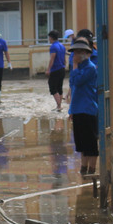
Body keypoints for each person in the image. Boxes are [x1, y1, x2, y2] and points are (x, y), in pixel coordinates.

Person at [67, 38, 98, 176]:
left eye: (78, 52)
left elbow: (78, 81)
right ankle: (83, 167)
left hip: (87, 108)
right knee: (81, 142)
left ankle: (92, 169)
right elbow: (73, 86)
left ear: (85, 54)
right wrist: (71, 110)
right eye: (74, 52)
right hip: (78, 109)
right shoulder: (78, 68)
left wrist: (74, 66)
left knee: (90, 142)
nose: (75, 55)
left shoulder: (90, 68)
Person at [46, 30, 67, 112]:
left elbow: (52, 59)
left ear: (51, 37)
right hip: (62, 69)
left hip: (55, 69)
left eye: (49, 37)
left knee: (53, 87)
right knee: (59, 88)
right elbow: (64, 59)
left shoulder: (53, 47)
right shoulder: (62, 46)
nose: (49, 39)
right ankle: (59, 106)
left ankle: (59, 106)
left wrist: (48, 69)